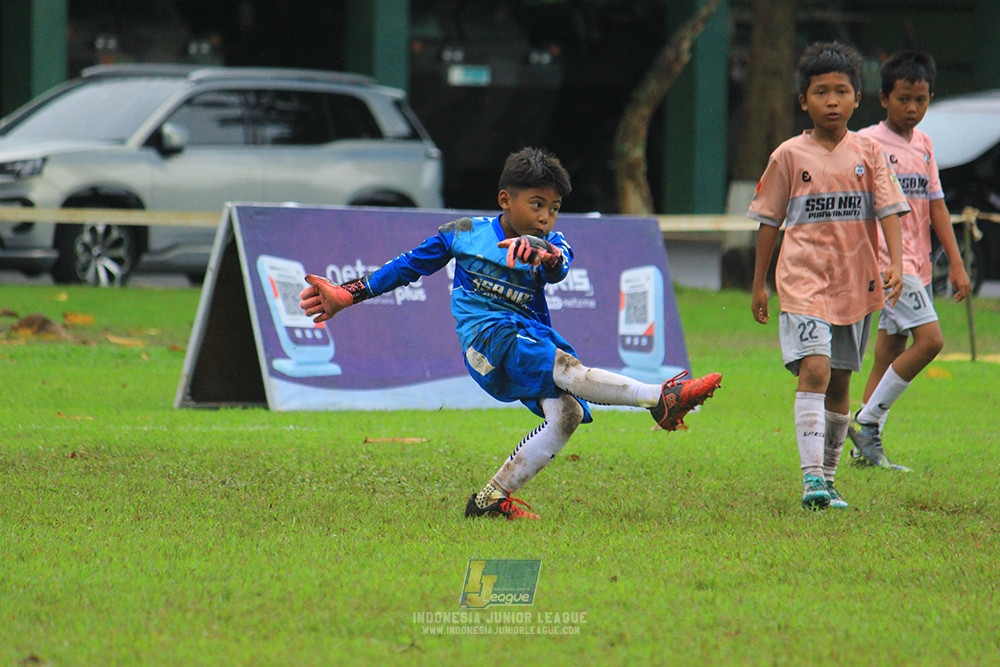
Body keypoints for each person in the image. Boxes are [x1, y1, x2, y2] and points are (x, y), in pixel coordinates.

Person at [298, 147, 722, 520]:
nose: (545, 217)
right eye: (537, 204)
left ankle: (490, 499)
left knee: (568, 415)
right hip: (488, 340)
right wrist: (347, 294)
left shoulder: (555, 243)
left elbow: (558, 266)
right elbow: (408, 266)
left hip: (528, 336)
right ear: (506, 200)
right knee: (565, 367)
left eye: (554, 207)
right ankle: (659, 397)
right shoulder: (463, 233)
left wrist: (542, 252)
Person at [748, 42, 909, 510]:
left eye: (842, 91)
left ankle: (830, 478)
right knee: (815, 369)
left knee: (840, 383)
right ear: (804, 101)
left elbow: (891, 211)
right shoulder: (788, 155)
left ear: (859, 98)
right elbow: (768, 222)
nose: (832, 101)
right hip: (802, 282)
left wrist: (895, 262)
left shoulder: (870, 152)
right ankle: (811, 480)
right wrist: (760, 283)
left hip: (856, 286)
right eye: (821, 92)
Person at [851, 51, 973, 470]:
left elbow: (936, 206)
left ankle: (862, 451)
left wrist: (956, 264)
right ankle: (866, 422)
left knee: (887, 354)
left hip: (917, 265)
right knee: (931, 341)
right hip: (888, 265)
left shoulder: (924, 144)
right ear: (884, 98)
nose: (912, 108)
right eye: (904, 99)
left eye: (920, 100)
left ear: (930, 98)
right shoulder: (866, 142)